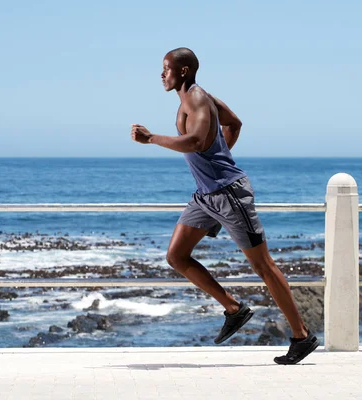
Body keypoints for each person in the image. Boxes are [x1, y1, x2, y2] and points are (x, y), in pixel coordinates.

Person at [131, 47, 318, 364]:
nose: (161, 74)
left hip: (229, 195)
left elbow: (195, 142)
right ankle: (234, 308)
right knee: (177, 255)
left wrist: (152, 139)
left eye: (166, 68)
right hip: (206, 196)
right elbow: (235, 123)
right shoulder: (192, 99)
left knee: (263, 266)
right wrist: (218, 157)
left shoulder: (198, 99)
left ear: (185, 71)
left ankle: (301, 336)